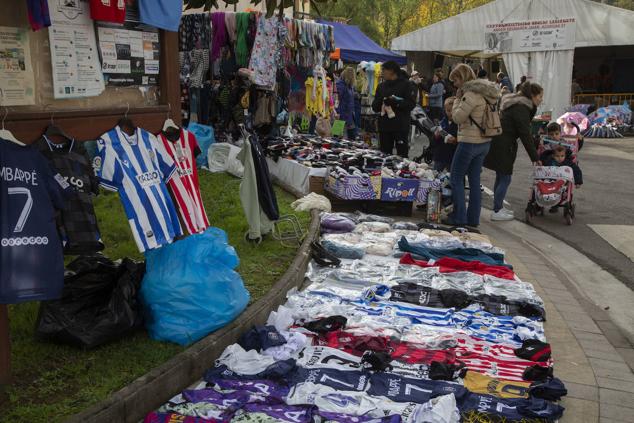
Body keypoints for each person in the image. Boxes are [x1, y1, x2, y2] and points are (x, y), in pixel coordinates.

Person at [446, 63, 500, 227]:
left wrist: (456, 99)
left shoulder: (470, 94)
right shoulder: (486, 93)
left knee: (456, 178)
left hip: (469, 142)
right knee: (475, 181)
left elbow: (457, 118)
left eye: (455, 80)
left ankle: (459, 217)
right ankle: (473, 219)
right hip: (485, 142)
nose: (454, 84)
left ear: (461, 78)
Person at [484, 81, 544, 222]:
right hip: (504, 145)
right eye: (540, 96)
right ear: (532, 96)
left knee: (501, 176)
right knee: (505, 177)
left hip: (499, 142)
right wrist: (535, 157)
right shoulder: (521, 108)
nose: (541, 99)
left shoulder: (515, 103)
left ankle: (498, 208)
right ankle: (497, 210)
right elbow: (524, 134)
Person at [372, 61, 417, 157]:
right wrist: (381, 100)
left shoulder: (407, 85)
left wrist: (396, 102)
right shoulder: (381, 86)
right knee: (384, 155)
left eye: (384, 70)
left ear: (392, 71)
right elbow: (375, 107)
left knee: (402, 155)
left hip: (400, 127)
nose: (381, 72)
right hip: (384, 127)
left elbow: (411, 104)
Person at [542, 123, 583, 188]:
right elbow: (543, 154)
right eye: (551, 134)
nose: (554, 136)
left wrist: (580, 140)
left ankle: (578, 182)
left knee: (575, 167)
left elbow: (574, 150)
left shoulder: (565, 143)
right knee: (542, 165)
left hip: (564, 161)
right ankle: (543, 182)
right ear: (548, 135)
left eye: (556, 134)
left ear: (560, 134)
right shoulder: (547, 143)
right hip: (552, 162)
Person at [431, 97, 458, 172]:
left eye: (454, 111)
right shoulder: (442, 122)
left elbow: (463, 140)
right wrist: (436, 136)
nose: (451, 113)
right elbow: (433, 142)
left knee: (453, 177)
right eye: (448, 111)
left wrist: (455, 140)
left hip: (453, 157)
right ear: (445, 110)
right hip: (440, 156)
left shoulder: (460, 124)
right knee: (435, 176)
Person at [336, 67, 357, 139]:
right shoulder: (340, 84)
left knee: (351, 137)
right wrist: (337, 112)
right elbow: (337, 99)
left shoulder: (349, 86)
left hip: (349, 115)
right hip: (341, 114)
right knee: (338, 138)